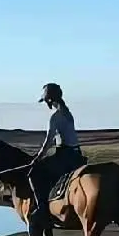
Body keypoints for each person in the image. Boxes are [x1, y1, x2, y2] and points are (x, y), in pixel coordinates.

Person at [27, 82, 86, 222]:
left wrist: (38, 157)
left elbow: (48, 141)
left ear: (49, 100)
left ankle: (42, 208)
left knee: (35, 173)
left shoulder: (55, 117)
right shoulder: (67, 113)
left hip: (65, 155)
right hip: (76, 154)